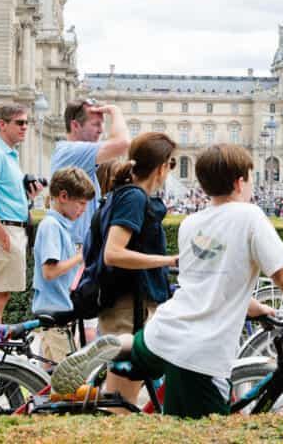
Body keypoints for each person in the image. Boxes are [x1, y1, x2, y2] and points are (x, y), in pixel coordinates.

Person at [51, 143, 283, 418]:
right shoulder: (250, 216)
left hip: (162, 332)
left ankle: (123, 345)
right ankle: (123, 345)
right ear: (241, 182)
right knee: (201, 431)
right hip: (199, 352)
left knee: (152, 379)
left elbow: (206, 281)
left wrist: (254, 307)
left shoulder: (192, 223)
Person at [92, 132, 180, 403]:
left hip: (129, 305)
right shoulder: (135, 198)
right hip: (130, 309)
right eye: (172, 164)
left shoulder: (125, 195)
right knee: (119, 406)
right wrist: (169, 261)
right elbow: (114, 253)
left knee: (120, 401)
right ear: (162, 167)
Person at [0, 104, 42, 323]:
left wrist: (28, 198)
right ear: (2, 124)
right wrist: (2, 235)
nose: (25, 127)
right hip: (6, 230)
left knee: (1, 293)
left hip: (12, 229)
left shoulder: (8, 155)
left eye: (27, 123)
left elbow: (3, 199)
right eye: (20, 122)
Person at [32, 167, 95, 364]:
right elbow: (49, 272)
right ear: (63, 196)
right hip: (55, 312)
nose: (84, 210)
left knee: (52, 374)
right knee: (65, 381)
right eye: (81, 203)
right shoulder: (52, 226)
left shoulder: (59, 225)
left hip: (58, 311)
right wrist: (80, 256)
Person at [50, 99, 131, 247]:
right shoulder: (72, 152)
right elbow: (122, 144)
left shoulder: (78, 157)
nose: (101, 130)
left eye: (102, 124)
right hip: (73, 248)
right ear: (75, 125)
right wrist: (115, 110)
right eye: (96, 124)